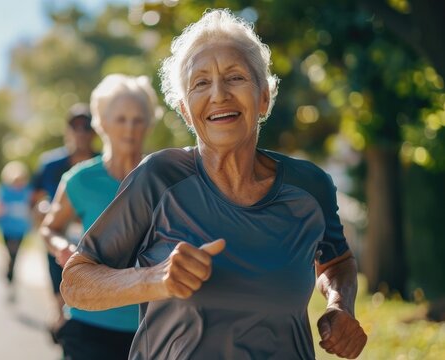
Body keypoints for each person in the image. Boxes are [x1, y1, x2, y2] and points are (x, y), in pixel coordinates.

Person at [61, 9, 367, 359]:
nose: (219, 94)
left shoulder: (310, 187)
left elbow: (336, 261)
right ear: (186, 111)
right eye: (201, 82)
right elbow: (76, 282)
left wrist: (340, 305)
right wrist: (154, 279)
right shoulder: (159, 178)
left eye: (235, 77)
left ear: (264, 97)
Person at [40, 74, 158, 359]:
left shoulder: (164, 178)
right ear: (101, 123)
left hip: (150, 327)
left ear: (149, 123)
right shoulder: (80, 180)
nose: (130, 128)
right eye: (121, 119)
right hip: (88, 322)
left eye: (138, 119)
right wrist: (61, 247)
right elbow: (50, 228)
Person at [31, 103, 98, 333]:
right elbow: (35, 203)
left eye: (86, 126)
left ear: (95, 131)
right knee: (61, 300)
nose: (80, 132)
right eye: (75, 126)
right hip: (59, 242)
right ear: (67, 131)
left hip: (94, 243)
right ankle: (60, 320)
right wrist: (45, 210)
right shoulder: (50, 165)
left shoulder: (104, 165)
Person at [0, 160, 34, 297]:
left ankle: (11, 274)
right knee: (10, 252)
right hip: (6, 229)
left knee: (15, 254)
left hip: (21, 230)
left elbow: (31, 208)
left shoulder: (28, 192)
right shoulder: (3, 192)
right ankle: (9, 271)